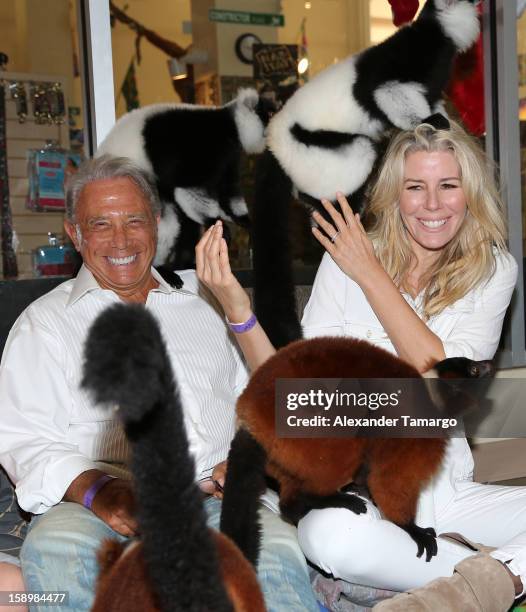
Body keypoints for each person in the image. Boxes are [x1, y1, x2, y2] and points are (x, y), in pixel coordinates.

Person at [0, 155, 318, 612]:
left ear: (157, 223)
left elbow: (261, 404)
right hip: (94, 508)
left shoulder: (208, 302)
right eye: (101, 224)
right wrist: (101, 491)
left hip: (213, 499)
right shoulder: (46, 323)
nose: (121, 240)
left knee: (274, 555)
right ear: (75, 234)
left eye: (134, 220)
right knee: (56, 550)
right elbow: (24, 437)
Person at [294, 121, 526, 610]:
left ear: (470, 193)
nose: (433, 204)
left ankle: (459, 589)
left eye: (448, 185)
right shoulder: (343, 259)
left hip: (448, 484)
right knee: (329, 539)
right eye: (415, 188)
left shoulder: (494, 270)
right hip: (363, 487)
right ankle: (494, 574)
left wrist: (371, 275)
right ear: (393, 196)